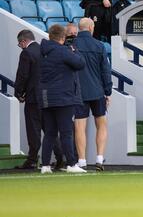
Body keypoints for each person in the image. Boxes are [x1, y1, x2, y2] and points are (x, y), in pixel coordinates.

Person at [38, 25, 86, 174]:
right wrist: (74, 50)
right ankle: (71, 164)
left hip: (46, 97)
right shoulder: (63, 51)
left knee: (50, 133)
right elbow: (80, 63)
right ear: (62, 37)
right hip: (63, 97)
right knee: (66, 132)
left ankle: (45, 165)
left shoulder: (42, 51)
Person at [14, 30, 64, 169]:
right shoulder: (45, 51)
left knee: (33, 129)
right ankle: (60, 157)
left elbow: (23, 75)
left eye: (20, 44)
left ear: (23, 41)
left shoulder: (26, 53)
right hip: (47, 96)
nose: (21, 46)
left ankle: (32, 159)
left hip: (33, 97)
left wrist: (19, 92)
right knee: (49, 129)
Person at [73, 18, 112, 172]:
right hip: (97, 92)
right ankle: (99, 158)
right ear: (90, 28)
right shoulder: (100, 45)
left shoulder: (72, 46)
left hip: (79, 93)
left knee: (79, 127)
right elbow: (105, 71)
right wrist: (108, 91)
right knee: (101, 125)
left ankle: (82, 161)